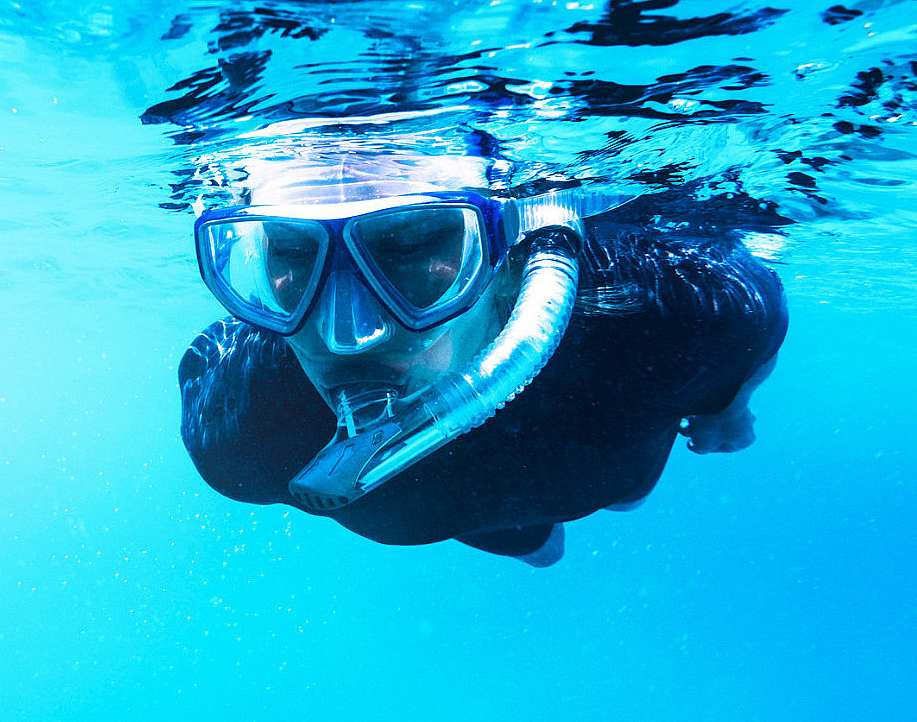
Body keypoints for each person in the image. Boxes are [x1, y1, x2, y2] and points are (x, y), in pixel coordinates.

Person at [177, 149, 788, 566]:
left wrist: (730, 408)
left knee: (626, 497)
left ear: (513, 260)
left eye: (412, 245)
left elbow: (753, 316)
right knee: (539, 550)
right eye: (291, 251)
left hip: (607, 466)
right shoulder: (240, 434)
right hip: (476, 519)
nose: (346, 335)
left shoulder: (671, 312)